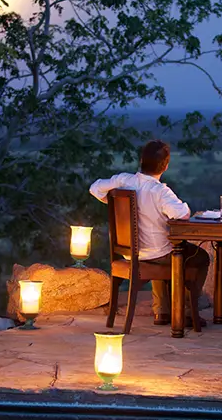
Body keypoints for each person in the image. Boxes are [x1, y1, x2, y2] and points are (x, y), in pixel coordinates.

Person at [89, 139, 210, 327]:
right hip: (158, 254)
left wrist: (112, 200)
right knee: (198, 256)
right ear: (166, 166)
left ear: (142, 160)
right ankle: (187, 312)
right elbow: (182, 214)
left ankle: (161, 311)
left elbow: (95, 188)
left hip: (130, 253)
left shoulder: (123, 181)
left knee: (164, 250)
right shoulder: (160, 191)